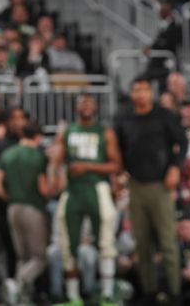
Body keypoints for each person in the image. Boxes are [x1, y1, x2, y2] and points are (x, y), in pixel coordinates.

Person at [115, 76, 187, 303]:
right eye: (136, 90)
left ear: (151, 93)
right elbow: (118, 149)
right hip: (135, 185)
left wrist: (175, 167)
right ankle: (149, 291)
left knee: (168, 243)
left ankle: (175, 292)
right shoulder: (124, 118)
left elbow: (182, 142)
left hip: (160, 184)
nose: (140, 94)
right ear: (131, 94)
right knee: (142, 243)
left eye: (145, 90)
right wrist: (119, 173)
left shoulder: (164, 115)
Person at [50, 95, 122, 305]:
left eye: (90, 103)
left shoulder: (104, 132)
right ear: (76, 107)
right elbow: (57, 159)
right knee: (67, 241)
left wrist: (87, 167)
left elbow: (116, 165)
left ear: (96, 108)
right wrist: (55, 166)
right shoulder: (68, 131)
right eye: (83, 103)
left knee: (106, 239)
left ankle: (107, 295)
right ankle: (73, 297)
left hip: (97, 187)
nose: (87, 106)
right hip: (72, 189)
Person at [0, 122, 52, 304]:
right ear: (38, 136)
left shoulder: (8, 154)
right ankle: (18, 283)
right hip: (33, 207)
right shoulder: (38, 156)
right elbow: (44, 189)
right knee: (39, 257)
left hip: (13, 208)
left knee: (22, 256)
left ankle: (21, 298)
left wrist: (8, 197)